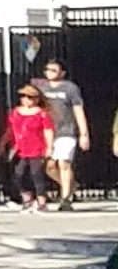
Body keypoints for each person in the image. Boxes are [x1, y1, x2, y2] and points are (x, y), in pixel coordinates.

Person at [38, 53, 90, 210]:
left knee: (64, 163)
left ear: (62, 73)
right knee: (50, 167)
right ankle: (71, 185)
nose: (49, 73)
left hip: (66, 131)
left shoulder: (70, 88)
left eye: (53, 70)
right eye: (47, 70)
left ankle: (65, 198)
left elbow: (78, 110)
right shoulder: (42, 88)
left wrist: (83, 133)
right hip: (48, 132)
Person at [3, 80, 54, 209]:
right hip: (20, 149)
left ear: (37, 99)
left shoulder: (42, 114)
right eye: (23, 96)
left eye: (29, 97)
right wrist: (3, 143)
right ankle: (27, 199)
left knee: (37, 175)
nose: (26, 99)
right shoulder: (15, 112)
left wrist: (49, 147)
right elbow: (10, 130)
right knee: (18, 175)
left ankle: (42, 202)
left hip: (36, 149)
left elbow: (48, 130)